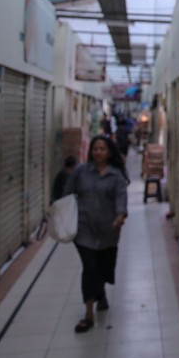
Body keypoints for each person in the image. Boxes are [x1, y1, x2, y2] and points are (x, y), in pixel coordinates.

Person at [63, 135, 129, 333]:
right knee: (90, 268)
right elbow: (68, 194)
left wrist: (120, 215)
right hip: (83, 230)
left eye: (102, 149)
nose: (98, 152)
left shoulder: (116, 176)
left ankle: (101, 294)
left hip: (108, 231)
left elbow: (120, 199)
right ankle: (88, 313)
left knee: (104, 267)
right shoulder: (81, 172)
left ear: (109, 152)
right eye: (95, 149)